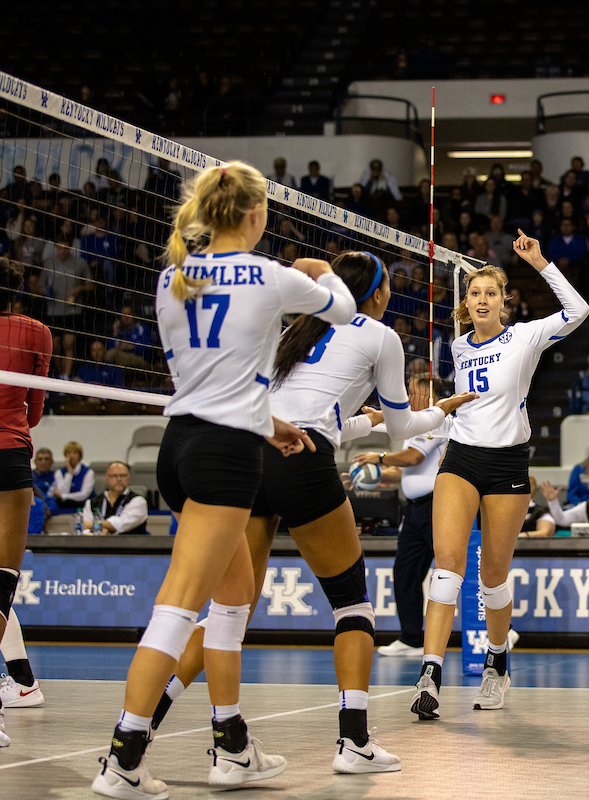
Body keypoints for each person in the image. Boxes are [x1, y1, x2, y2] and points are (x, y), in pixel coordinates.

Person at [89, 160, 356, 797]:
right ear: (257, 215)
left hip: (181, 447)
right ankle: (123, 758)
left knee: (233, 600)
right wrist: (323, 274)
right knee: (180, 605)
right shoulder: (272, 276)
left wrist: (269, 421)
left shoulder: (171, 276)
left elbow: (214, 379)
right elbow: (346, 311)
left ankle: (232, 748)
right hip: (225, 456)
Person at [146, 252, 472, 771]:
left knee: (230, 611)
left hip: (251, 452)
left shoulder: (296, 329)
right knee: (351, 604)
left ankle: (146, 730)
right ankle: (355, 744)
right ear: (380, 294)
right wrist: (447, 408)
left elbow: (316, 416)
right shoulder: (380, 336)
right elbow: (404, 426)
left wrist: (359, 421)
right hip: (301, 461)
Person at [412, 230, 588, 720]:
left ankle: (497, 662)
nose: (483, 298)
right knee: (447, 566)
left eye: (491, 292)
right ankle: (429, 673)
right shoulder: (458, 346)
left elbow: (579, 313)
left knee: (493, 577)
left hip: (509, 462)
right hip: (462, 458)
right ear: (465, 305)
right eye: (475, 293)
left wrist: (539, 261)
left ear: (504, 302)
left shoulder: (526, 336)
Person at [0, 259, 51, 745]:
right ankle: (22, 680)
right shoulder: (35, 331)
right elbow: (34, 411)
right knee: (1, 580)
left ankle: (21, 680)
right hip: (12, 454)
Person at [368, 376, 454, 657]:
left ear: (430, 397)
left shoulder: (435, 419)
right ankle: (411, 638)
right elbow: (405, 470)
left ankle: (504, 626)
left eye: (413, 391)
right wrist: (370, 475)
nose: (407, 396)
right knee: (405, 572)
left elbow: (412, 458)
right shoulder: (415, 424)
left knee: (452, 572)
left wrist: (377, 457)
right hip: (415, 509)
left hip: (437, 507)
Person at [81, 461, 148, 535]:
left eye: (123, 475)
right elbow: (84, 528)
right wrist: (101, 529)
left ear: (129, 479)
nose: (119, 479)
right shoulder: (92, 503)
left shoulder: (138, 501)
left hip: (130, 545)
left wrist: (93, 525)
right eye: (114, 476)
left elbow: (119, 525)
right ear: (106, 479)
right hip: (98, 545)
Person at [48, 441, 93, 514]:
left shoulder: (88, 472)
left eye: (75, 453)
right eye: (69, 453)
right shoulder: (59, 472)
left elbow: (83, 495)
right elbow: (63, 492)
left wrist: (63, 496)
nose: (72, 456)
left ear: (80, 456)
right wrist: (69, 472)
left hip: (82, 507)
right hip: (64, 507)